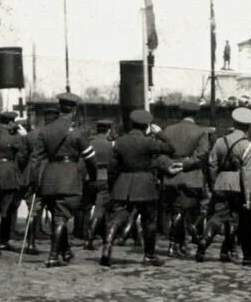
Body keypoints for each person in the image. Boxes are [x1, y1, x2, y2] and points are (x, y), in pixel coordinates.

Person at [101, 109, 178, 267]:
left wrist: (113, 187)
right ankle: (149, 255)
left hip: (123, 184)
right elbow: (171, 148)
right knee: (149, 221)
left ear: (131, 124)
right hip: (145, 185)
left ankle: (107, 247)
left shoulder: (120, 142)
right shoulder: (149, 142)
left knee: (117, 218)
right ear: (146, 126)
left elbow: (112, 169)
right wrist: (159, 133)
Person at [28, 92, 96, 267]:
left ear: (59, 109)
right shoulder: (78, 133)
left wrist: (35, 182)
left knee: (58, 215)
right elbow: (90, 158)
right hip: (69, 177)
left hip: (49, 179)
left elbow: (35, 159)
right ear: (74, 111)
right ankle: (52, 256)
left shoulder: (45, 131)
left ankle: (65, 251)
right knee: (61, 217)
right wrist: (92, 176)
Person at [198, 107, 251, 264]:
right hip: (238, 185)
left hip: (221, 182)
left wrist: (215, 181)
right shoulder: (248, 146)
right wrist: (248, 198)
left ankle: (205, 240)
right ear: (248, 126)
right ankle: (228, 251)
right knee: (236, 220)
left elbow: (211, 164)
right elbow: (247, 173)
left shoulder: (219, 141)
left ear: (234, 123)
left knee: (218, 216)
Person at [156, 102, 210, 258]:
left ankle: (180, 245)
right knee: (184, 212)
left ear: (180, 114)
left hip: (170, 177)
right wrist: (185, 164)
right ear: (197, 115)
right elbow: (202, 155)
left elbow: (159, 154)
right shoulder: (201, 132)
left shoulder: (168, 131)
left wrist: (168, 166)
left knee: (175, 211)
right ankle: (174, 244)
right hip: (190, 177)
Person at [0, 111, 27, 254]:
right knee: (8, 209)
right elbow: (25, 150)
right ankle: (4, 240)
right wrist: (23, 134)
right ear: (10, 122)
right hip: (8, 173)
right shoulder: (14, 138)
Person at [83, 119, 115, 251]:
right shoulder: (111, 145)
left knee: (87, 208)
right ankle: (89, 240)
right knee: (100, 210)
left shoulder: (89, 143)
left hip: (89, 178)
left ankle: (87, 235)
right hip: (104, 177)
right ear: (108, 130)